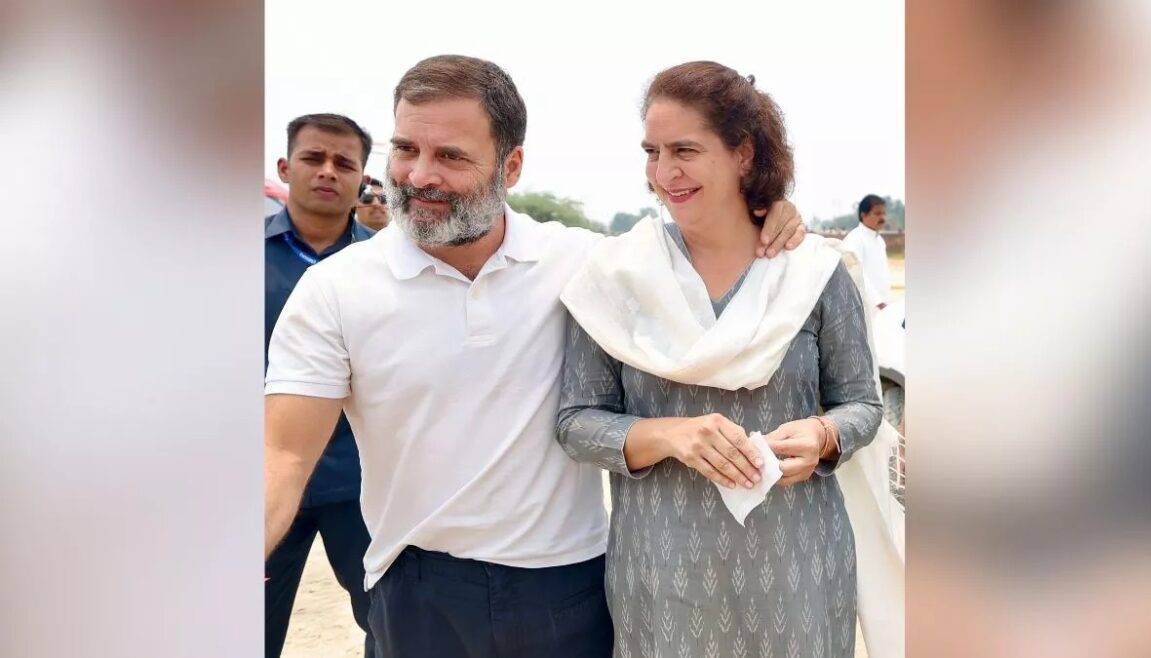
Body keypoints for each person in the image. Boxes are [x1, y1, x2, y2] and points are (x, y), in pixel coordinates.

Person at [263, 54, 806, 658]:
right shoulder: (335, 290)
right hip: (415, 590)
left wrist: (772, 211)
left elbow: (715, 244)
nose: (419, 175)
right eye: (406, 149)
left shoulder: (584, 264)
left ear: (512, 166)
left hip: (569, 587)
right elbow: (283, 453)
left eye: (451, 156)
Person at [557, 61, 899, 658]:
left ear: (744, 153)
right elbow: (576, 422)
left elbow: (863, 406)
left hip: (800, 568)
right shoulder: (617, 277)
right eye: (652, 152)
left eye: (685, 150)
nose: (664, 172)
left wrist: (823, 435)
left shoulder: (812, 274)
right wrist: (669, 435)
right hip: (662, 575)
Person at [265, 113, 376, 658]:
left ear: (363, 179)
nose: (328, 171)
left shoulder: (387, 268)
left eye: (343, 163)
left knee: (391, 624)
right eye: (313, 158)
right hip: (261, 479)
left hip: (360, 483)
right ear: (286, 167)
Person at [842, 194, 893, 310]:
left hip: (882, 307)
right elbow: (855, 274)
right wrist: (878, 302)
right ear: (863, 215)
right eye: (877, 213)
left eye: (884, 213)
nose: (882, 217)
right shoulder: (855, 239)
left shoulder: (879, 240)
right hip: (865, 308)